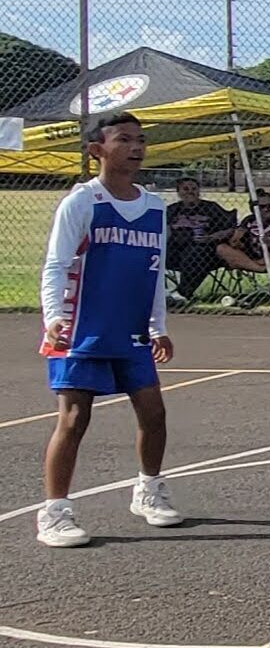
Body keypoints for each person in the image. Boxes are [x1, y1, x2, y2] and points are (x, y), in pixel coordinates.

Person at [36, 112, 180, 547]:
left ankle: (148, 490)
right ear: (96, 149)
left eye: (140, 140)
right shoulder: (83, 202)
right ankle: (55, 513)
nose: (135, 147)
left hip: (132, 331)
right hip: (82, 327)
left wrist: (157, 325)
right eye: (123, 139)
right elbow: (57, 265)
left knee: (154, 413)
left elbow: (153, 272)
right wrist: (53, 318)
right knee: (75, 418)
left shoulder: (155, 207)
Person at [164, 176, 235, 303]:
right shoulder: (172, 210)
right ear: (178, 192)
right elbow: (164, 231)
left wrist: (212, 237)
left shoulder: (211, 208)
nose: (190, 191)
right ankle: (158, 294)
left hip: (205, 250)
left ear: (199, 191)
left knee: (197, 253)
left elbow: (230, 229)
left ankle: (182, 294)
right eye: (185, 189)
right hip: (175, 250)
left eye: (194, 188)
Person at [216, 190, 270, 275]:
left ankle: (251, 264)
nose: (267, 209)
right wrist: (236, 240)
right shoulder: (249, 220)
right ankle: (260, 268)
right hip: (248, 255)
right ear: (253, 209)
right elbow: (237, 240)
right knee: (222, 248)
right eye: (262, 207)